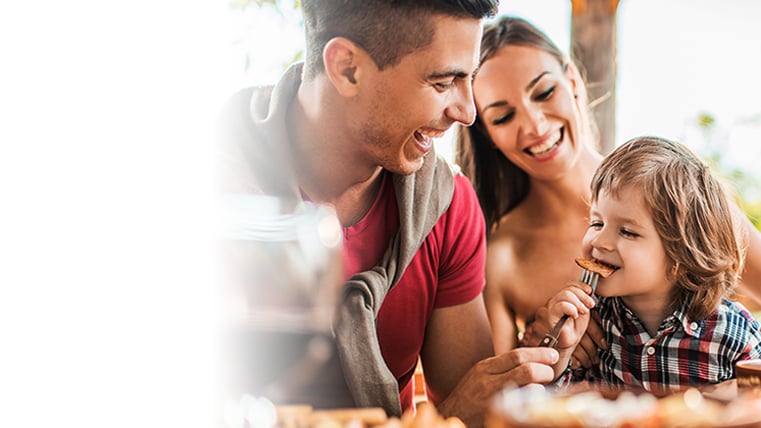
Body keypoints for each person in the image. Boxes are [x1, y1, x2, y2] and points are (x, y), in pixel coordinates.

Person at [217, 2, 560, 427]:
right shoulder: (206, 192)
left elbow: (468, 410)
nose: (467, 111)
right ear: (347, 69)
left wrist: (543, 360)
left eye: (468, 78)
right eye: (442, 82)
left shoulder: (447, 208)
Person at [455, 16, 761, 368]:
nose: (535, 126)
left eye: (544, 93)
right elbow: (493, 397)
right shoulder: (503, 255)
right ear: (487, 135)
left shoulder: (674, 190)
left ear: (571, 81)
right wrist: (541, 347)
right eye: (503, 117)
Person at [541, 136, 761, 391]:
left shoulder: (733, 335)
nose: (600, 241)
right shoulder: (590, 325)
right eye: (597, 223)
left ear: (681, 255)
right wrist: (560, 354)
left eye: (627, 231)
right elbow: (555, 410)